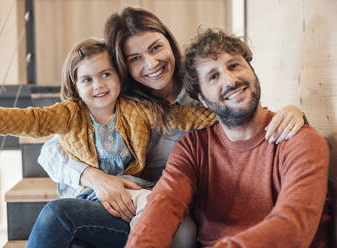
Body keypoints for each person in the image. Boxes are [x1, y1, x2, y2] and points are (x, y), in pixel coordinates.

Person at [32, 7, 306, 248]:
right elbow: (51, 149)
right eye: (134, 58)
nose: (151, 64)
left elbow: (241, 111)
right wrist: (95, 178)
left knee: (58, 218)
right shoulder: (122, 99)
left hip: (175, 209)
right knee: (64, 227)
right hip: (127, 201)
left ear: (169, 43)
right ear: (123, 66)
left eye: (155, 48)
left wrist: (292, 112)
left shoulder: (199, 87)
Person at [0, 37, 217, 230]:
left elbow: (179, 117)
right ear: (74, 85)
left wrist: (222, 114)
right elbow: (29, 120)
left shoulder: (137, 110)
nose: (99, 85)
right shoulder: (69, 113)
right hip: (86, 196)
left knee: (145, 194)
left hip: (131, 187)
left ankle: (147, 223)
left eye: (106, 74)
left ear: (119, 76)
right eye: (87, 80)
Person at [125, 29, 329, 248]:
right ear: (202, 98)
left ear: (251, 69)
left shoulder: (300, 141)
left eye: (234, 65)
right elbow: (165, 204)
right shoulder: (193, 149)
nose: (231, 80)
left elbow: (293, 226)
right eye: (213, 77)